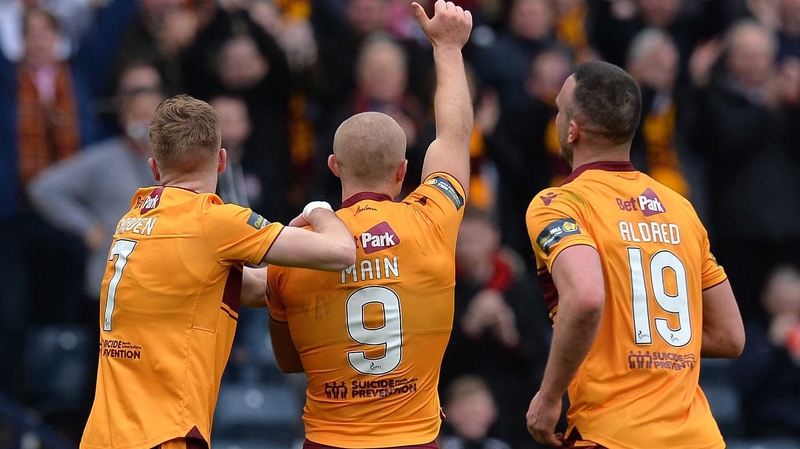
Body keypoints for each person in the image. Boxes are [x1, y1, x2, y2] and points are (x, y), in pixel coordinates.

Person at [79, 94, 356, 449]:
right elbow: (341, 250)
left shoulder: (133, 220)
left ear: (154, 167)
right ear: (222, 160)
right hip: (165, 434)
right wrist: (318, 210)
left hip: (104, 435)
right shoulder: (212, 222)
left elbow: (249, 288)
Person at [260, 2, 473, 447]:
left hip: (330, 440)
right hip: (414, 439)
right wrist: (448, 48)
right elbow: (453, 135)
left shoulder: (296, 246)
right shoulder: (433, 218)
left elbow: (288, 362)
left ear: (334, 167)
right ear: (403, 170)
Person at [524, 61, 745, 448]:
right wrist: (640, 335)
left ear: (573, 130)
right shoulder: (680, 208)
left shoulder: (560, 204)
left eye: (560, 110)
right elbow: (729, 337)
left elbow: (587, 298)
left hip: (614, 434)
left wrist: (549, 395)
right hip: (700, 438)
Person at [28, 89, 164, 301]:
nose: (144, 121)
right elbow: (43, 189)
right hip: (113, 281)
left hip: (163, 280)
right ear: (123, 118)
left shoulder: (178, 161)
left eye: (151, 115)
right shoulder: (103, 159)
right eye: (136, 114)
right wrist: (86, 226)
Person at [439, 376, 512, 449]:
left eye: (479, 412)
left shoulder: (500, 447)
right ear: (449, 413)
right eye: (466, 413)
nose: (473, 419)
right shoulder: (441, 445)